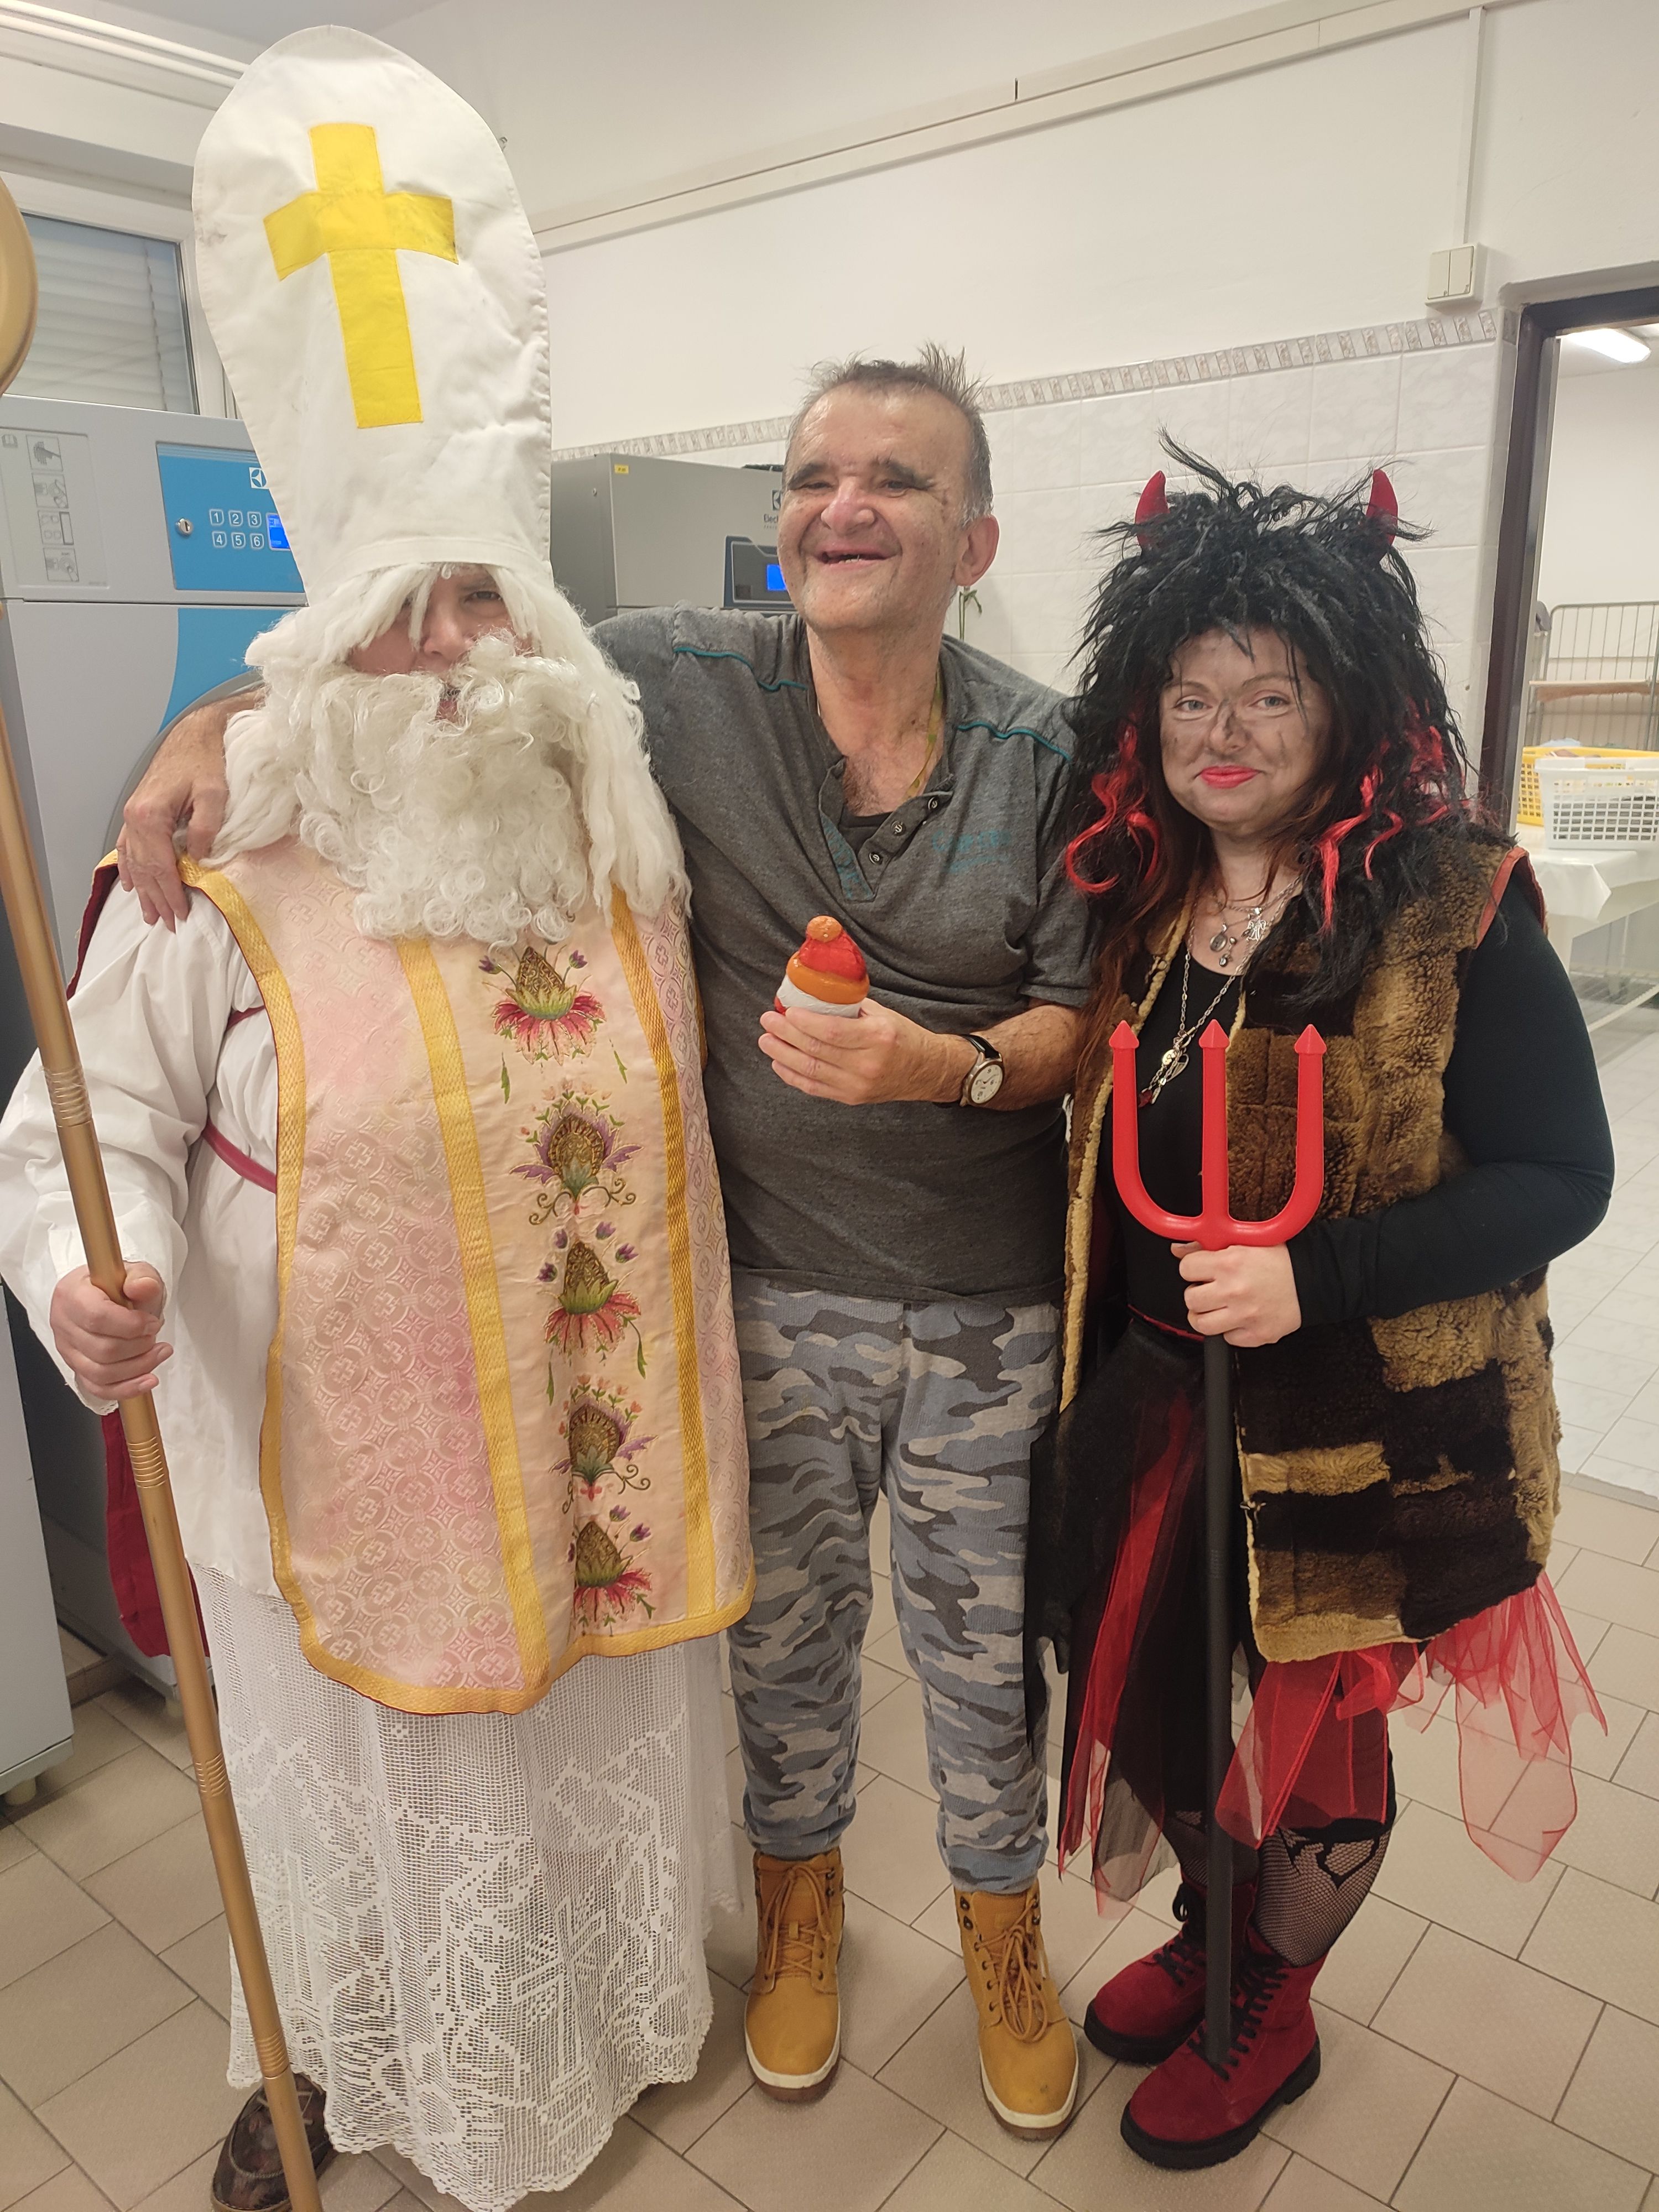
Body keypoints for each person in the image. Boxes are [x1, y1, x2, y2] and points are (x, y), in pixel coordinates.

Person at [119, 345, 1091, 2136]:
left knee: (981, 1662)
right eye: (813, 477)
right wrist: (204, 730)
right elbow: (416, 653)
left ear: (973, 541)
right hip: (770, 1292)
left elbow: (1079, 1022)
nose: (844, 506)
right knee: (785, 1663)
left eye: (896, 479)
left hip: (984, 1300)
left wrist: (942, 1067)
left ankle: (1005, 1943)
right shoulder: (682, 680)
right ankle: (796, 1925)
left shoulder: (1048, 750)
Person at [0, 30, 750, 2210]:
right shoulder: (219, 856)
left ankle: (585, 2035)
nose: (453, 648)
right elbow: (76, 1123)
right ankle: (319, 2061)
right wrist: (88, 1273)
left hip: (590, 1460)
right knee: (345, 1808)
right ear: (316, 641)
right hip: (336, 1477)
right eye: (404, 608)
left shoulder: (624, 813)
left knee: (572, 1778)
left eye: (486, 596)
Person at [1030, 451, 1612, 2171]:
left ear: (1346, 704)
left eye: (1269, 694)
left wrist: (1319, 1276)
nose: (1223, 733)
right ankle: (1215, 1926)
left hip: (1360, 1433)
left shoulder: (1455, 904)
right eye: (1190, 696)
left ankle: (1273, 1991)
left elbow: (1562, 1179)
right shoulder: (1141, 892)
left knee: (1314, 1735)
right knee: (1156, 1699)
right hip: (1152, 1398)